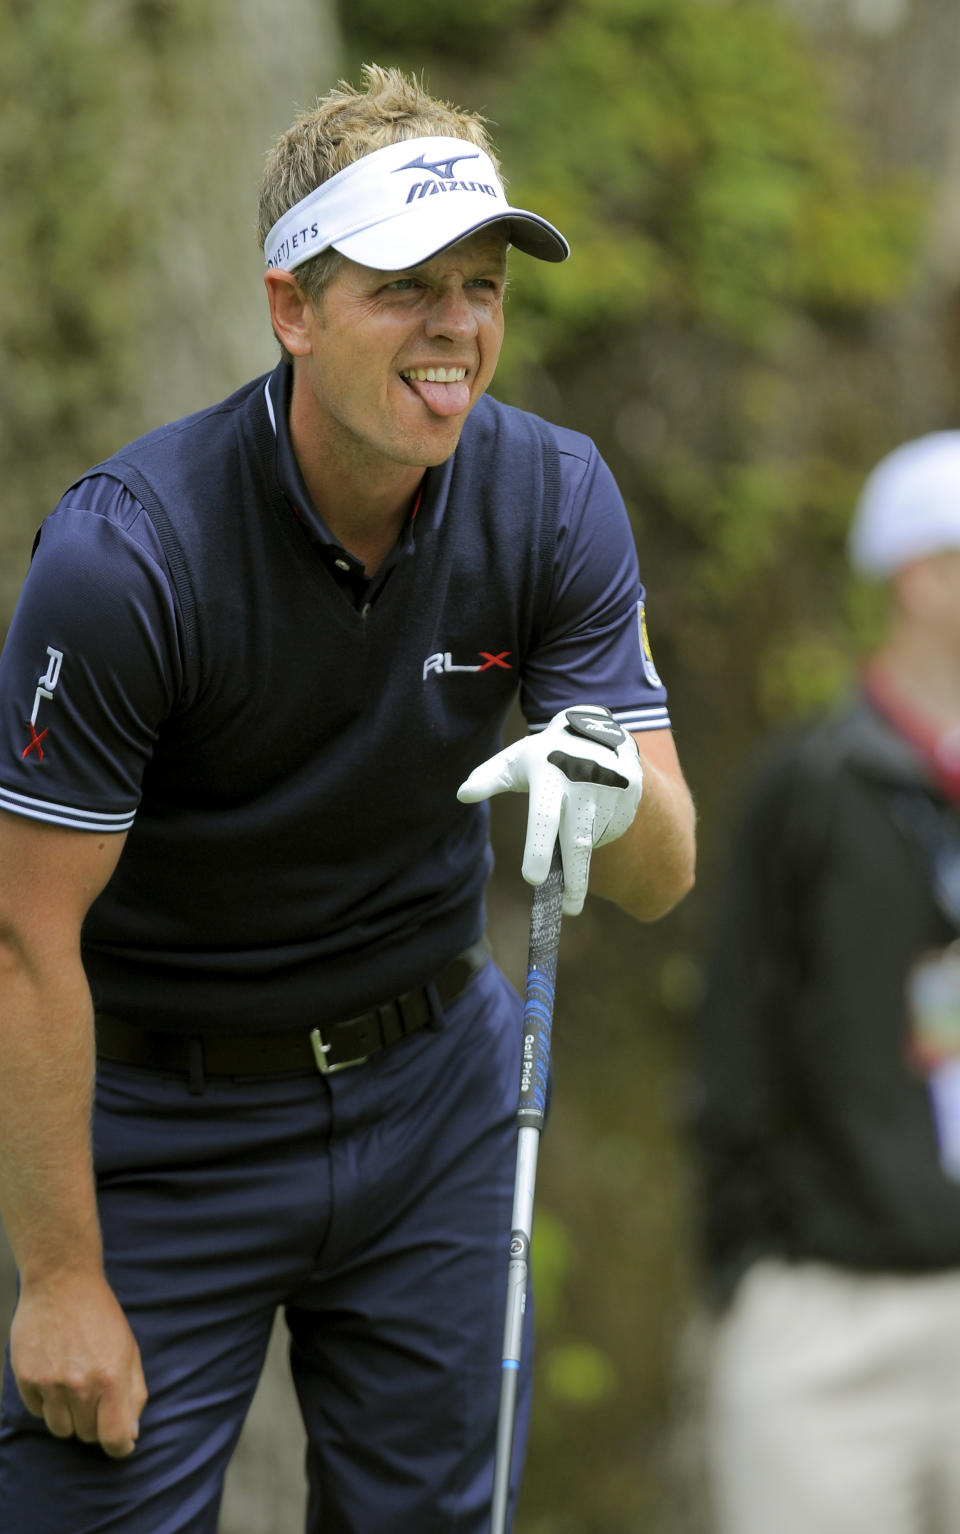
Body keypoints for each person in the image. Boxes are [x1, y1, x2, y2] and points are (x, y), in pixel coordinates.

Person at [0, 63, 695, 1534]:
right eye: (405, 287)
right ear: (290, 309)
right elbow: (22, 941)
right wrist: (60, 1277)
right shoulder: (130, 559)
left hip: (431, 1085)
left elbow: (662, 874)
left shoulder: (551, 499)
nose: (459, 329)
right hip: (158, 1121)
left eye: (483, 286)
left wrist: (611, 787)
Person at [692, 430, 960, 1534]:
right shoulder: (807, 786)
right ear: (920, 573)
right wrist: (751, 1270)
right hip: (826, 1318)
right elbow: (734, 1038)